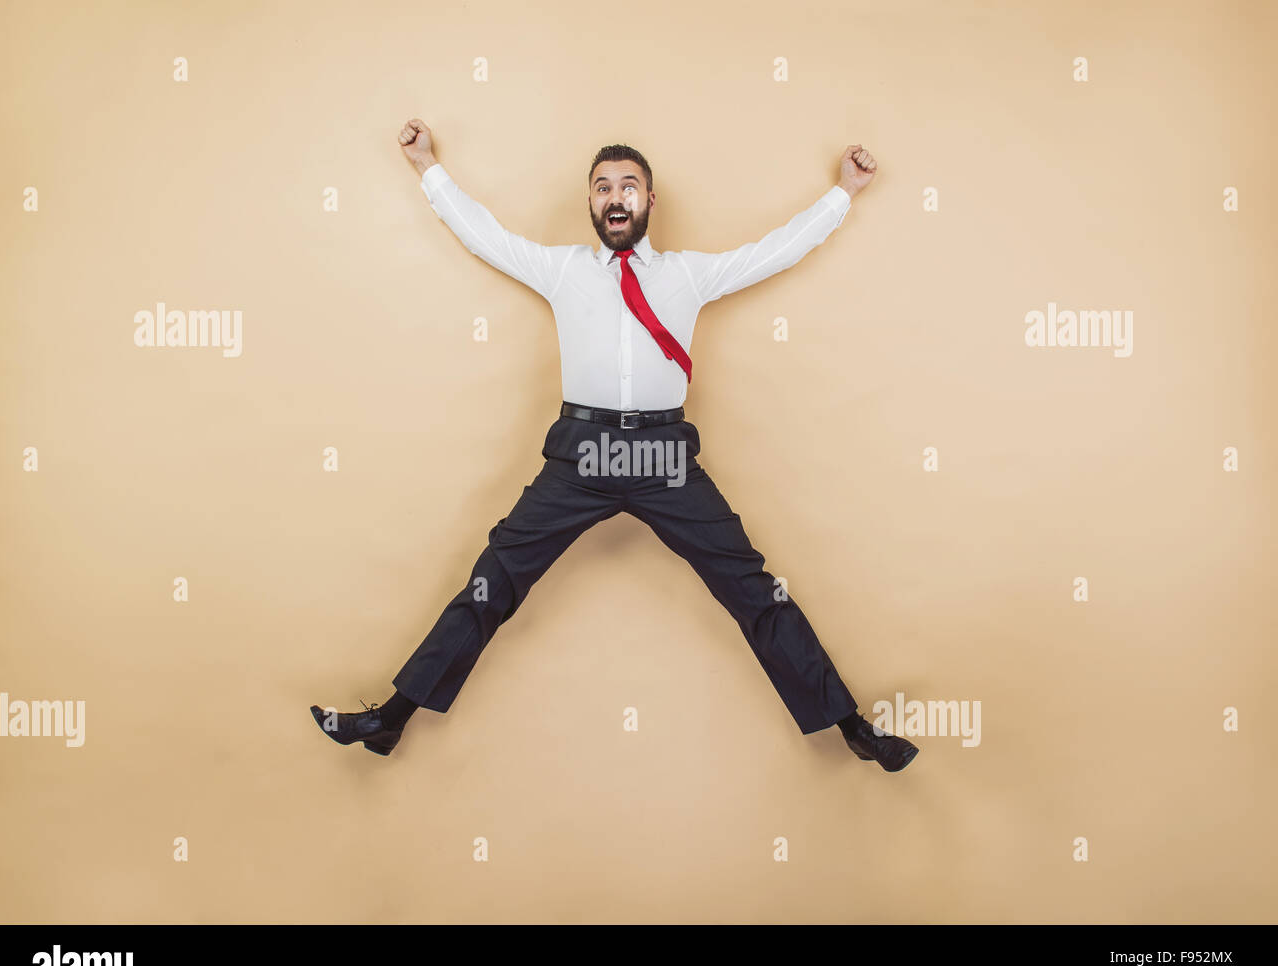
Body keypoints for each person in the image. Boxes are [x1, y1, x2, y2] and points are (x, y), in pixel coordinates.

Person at [309, 118, 919, 773]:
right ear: (592, 204)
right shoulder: (562, 269)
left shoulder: (688, 275)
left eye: (629, 185)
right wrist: (426, 164)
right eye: (603, 188)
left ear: (650, 201)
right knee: (494, 581)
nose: (616, 196)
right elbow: (483, 235)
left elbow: (773, 251)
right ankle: (391, 719)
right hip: (582, 457)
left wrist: (843, 194)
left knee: (754, 588)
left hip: (665, 460)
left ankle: (853, 725)